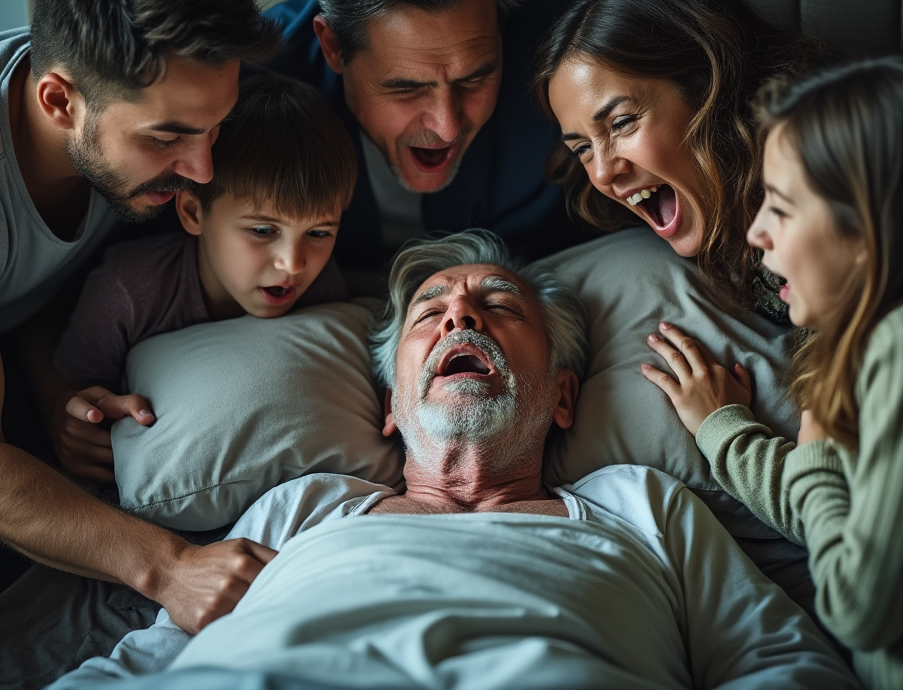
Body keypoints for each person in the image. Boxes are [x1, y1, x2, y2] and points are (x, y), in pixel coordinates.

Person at [48, 230, 858, 690]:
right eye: (428, 312)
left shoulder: (642, 505)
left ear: (563, 397)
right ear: (392, 408)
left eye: (499, 306)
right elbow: (138, 666)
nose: (460, 315)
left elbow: (784, 664)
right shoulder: (303, 507)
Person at [0, 0, 284, 637]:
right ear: (59, 102)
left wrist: (54, 385)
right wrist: (170, 568)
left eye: (214, 128)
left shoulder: (130, 102)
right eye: (167, 138)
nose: (203, 169)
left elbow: (34, 287)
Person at [642, 51, 903, 689]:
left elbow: (859, 606)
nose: (756, 232)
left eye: (782, 208)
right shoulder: (884, 343)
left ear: (870, 229)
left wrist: (814, 448)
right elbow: (834, 521)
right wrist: (726, 430)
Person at [49, 73, 357, 483]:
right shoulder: (128, 291)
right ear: (193, 213)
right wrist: (69, 416)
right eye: (262, 230)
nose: (294, 263)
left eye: (318, 233)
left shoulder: (323, 289)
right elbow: (68, 384)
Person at [264, 0, 594, 281]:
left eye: (473, 78)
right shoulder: (250, 77)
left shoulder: (582, 40)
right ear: (333, 47)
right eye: (407, 88)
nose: (447, 127)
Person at [534, 0, 829, 323]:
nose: (603, 173)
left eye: (621, 123)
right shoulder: (719, 216)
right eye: (582, 148)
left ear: (709, 88)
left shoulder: (826, 176)